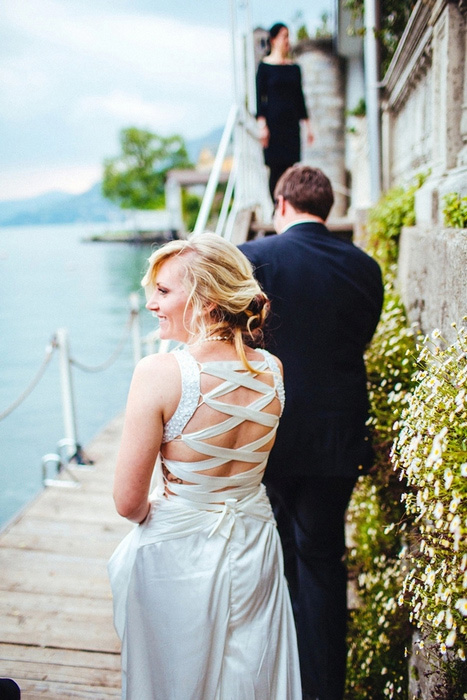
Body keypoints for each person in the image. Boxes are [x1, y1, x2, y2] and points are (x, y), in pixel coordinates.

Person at [108, 232, 302, 699]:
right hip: (255, 538)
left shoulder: (159, 372)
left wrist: (164, 509)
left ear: (207, 297)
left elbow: (127, 502)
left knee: (177, 680)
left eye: (165, 291)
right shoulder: (272, 368)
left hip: (179, 551)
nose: (151, 303)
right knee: (249, 672)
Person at [239, 166, 384, 700]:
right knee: (323, 560)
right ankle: (324, 688)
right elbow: (360, 340)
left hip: (269, 433)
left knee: (279, 559)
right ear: (325, 207)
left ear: (282, 205)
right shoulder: (365, 266)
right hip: (338, 435)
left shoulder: (255, 257)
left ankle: (283, 679)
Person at [256, 23, 314, 199]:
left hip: (291, 124)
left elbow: (299, 98)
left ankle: (290, 205)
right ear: (273, 40)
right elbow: (260, 99)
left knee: (291, 168)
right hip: (273, 125)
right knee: (275, 168)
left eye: (288, 36)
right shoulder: (264, 67)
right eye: (284, 36)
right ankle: (276, 207)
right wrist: (262, 125)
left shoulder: (294, 68)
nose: (287, 40)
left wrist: (308, 126)